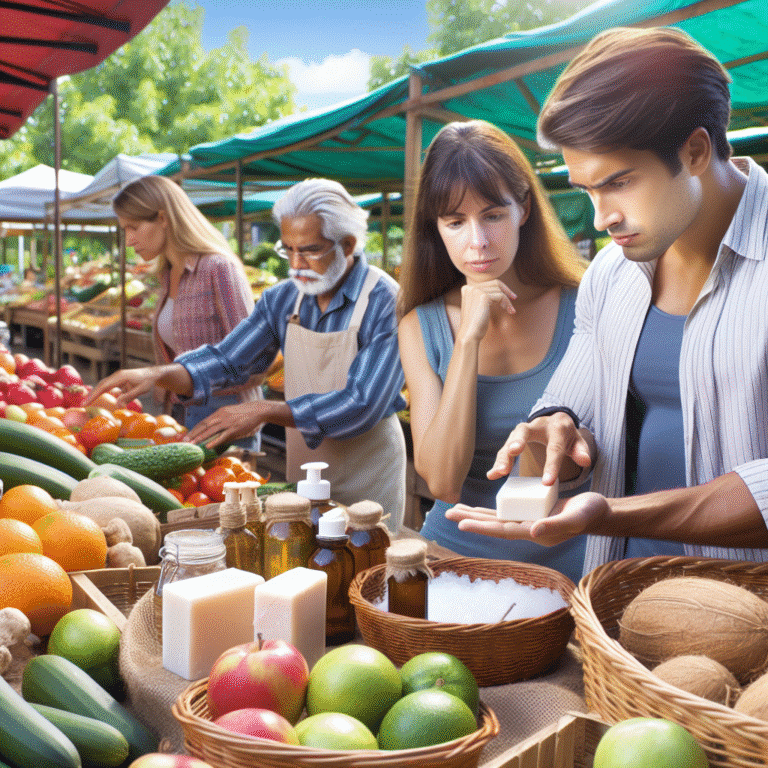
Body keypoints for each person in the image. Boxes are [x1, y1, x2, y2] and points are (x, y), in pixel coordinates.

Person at [446, 26, 768, 573]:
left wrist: (610, 514)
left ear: (694, 150)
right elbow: (575, 414)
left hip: (746, 624)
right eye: (587, 190)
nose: (601, 218)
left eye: (618, 183)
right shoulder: (610, 274)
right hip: (620, 599)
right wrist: (555, 437)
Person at [90, 178, 407, 532]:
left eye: (310, 250)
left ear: (347, 245)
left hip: (368, 467)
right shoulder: (284, 298)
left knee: (367, 560)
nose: (297, 263)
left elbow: (362, 403)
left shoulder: (385, 301)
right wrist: (159, 374)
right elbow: (229, 361)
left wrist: (265, 410)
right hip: (305, 461)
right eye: (288, 250)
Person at [397, 120, 589, 583]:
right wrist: (467, 341)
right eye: (455, 222)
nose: (477, 242)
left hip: (575, 559)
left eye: (493, 215)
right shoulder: (420, 325)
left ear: (523, 208)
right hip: (455, 558)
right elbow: (442, 481)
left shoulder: (584, 304)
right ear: (436, 228)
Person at [111, 175, 262, 451]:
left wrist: (170, 375)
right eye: (125, 229)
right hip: (181, 416)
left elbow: (253, 362)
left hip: (225, 420)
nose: (129, 240)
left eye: (133, 227)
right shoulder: (168, 275)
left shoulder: (218, 269)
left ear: (163, 219)